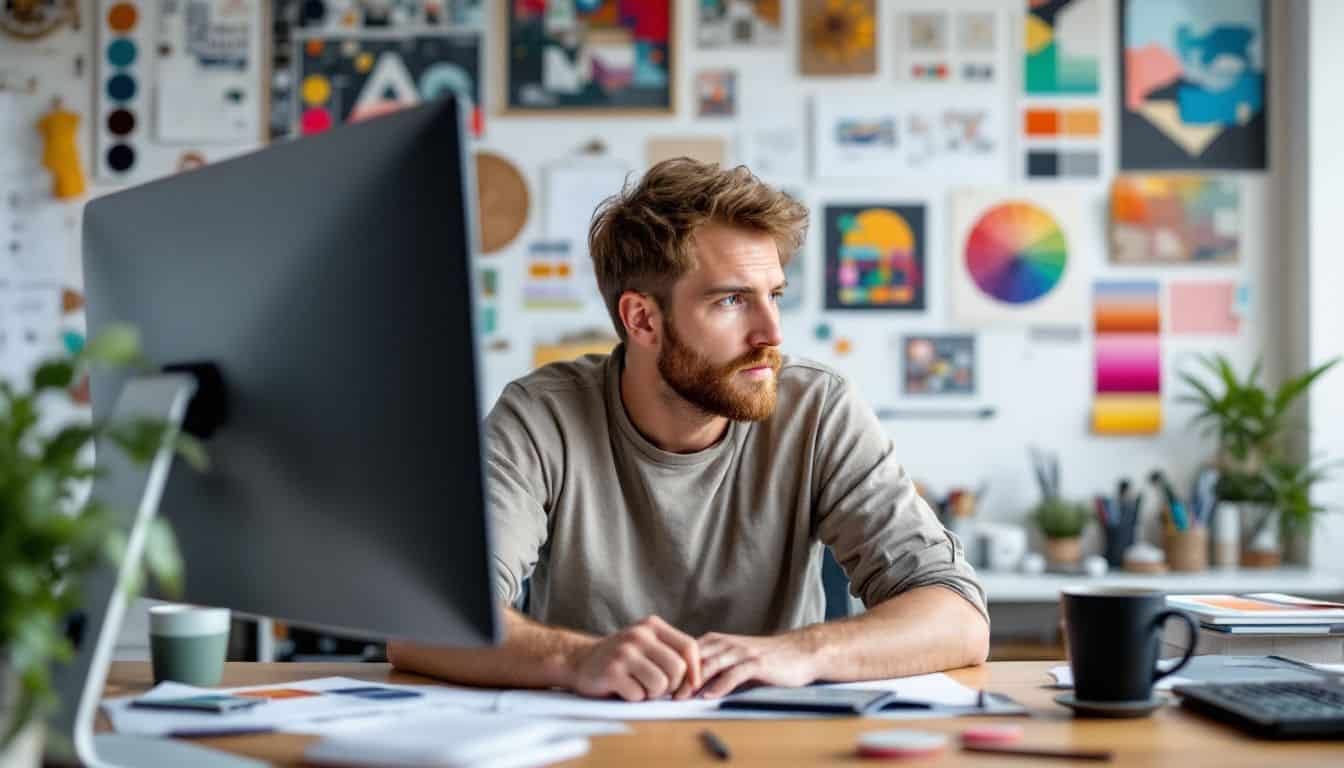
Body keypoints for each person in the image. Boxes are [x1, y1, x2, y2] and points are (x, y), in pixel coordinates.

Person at [389, 159, 988, 701]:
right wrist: (576, 659)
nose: (772, 333)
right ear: (642, 319)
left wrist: (801, 653)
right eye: (732, 301)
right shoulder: (542, 417)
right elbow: (421, 626)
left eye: (773, 295)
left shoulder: (817, 409)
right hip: (587, 743)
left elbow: (958, 615)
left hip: (776, 744)